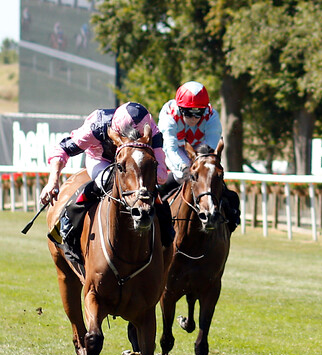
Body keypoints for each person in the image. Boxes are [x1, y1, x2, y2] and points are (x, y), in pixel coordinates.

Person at [39, 102, 174, 266]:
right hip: (101, 160)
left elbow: (161, 176)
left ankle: (167, 239)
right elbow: (62, 149)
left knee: (152, 190)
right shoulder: (97, 125)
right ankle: (67, 226)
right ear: (117, 131)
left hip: (134, 165)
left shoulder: (153, 131)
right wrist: (53, 180)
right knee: (106, 179)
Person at [158, 81, 240, 231]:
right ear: (180, 108)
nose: (194, 118)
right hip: (176, 150)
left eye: (199, 112)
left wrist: (200, 167)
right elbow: (169, 149)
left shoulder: (212, 117)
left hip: (201, 151)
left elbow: (209, 151)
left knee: (219, 186)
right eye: (189, 112)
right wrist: (183, 167)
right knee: (176, 177)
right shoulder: (168, 115)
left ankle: (230, 223)